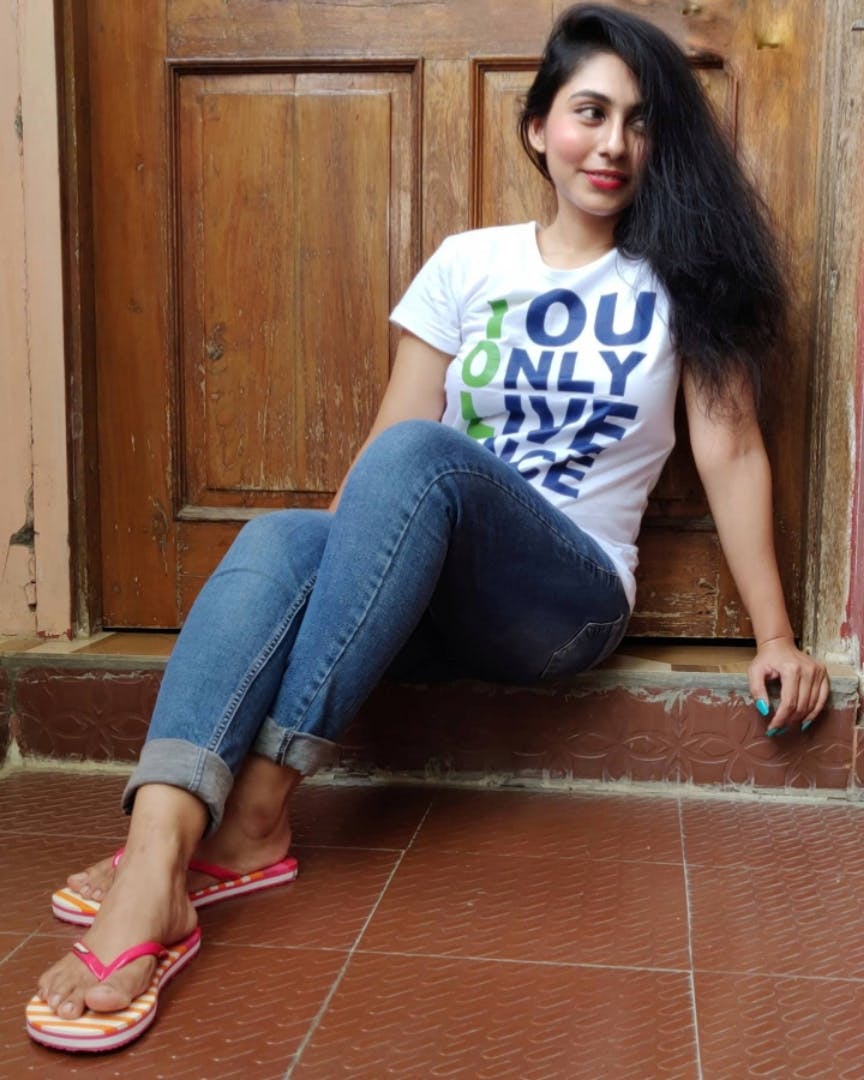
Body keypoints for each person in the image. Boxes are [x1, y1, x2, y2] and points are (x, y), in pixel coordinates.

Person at [27, 2, 830, 1053]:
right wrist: (311, 575)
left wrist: (771, 635)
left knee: (423, 461)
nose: (615, 143)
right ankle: (160, 851)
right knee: (278, 537)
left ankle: (256, 811)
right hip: (419, 580)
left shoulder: (680, 280)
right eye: (591, 112)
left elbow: (732, 453)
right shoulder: (468, 262)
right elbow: (383, 450)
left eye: (640, 123)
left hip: (561, 598)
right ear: (538, 125)